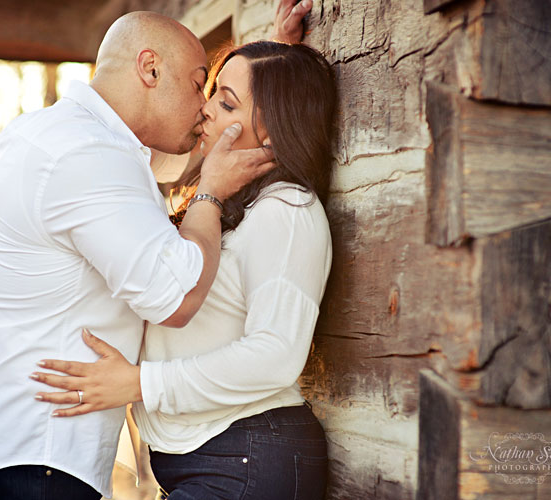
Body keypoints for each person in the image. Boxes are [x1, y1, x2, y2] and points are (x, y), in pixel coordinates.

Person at [0, 11, 278, 500]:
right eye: (200, 85)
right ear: (150, 69)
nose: (205, 110)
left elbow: (197, 150)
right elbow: (177, 297)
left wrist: (274, 72)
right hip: (36, 455)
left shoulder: (75, 137)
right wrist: (212, 193)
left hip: (15, 444)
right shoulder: (87, 155)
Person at [32, 35, 337, 499]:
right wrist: (275, 57)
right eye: (211, 91)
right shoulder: (230, 205)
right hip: (214, 458)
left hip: (249, 456)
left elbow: (277, 354)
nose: (207, 109)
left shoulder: (287, 211)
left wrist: (140, 383)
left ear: (274, 126)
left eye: (226, 102)